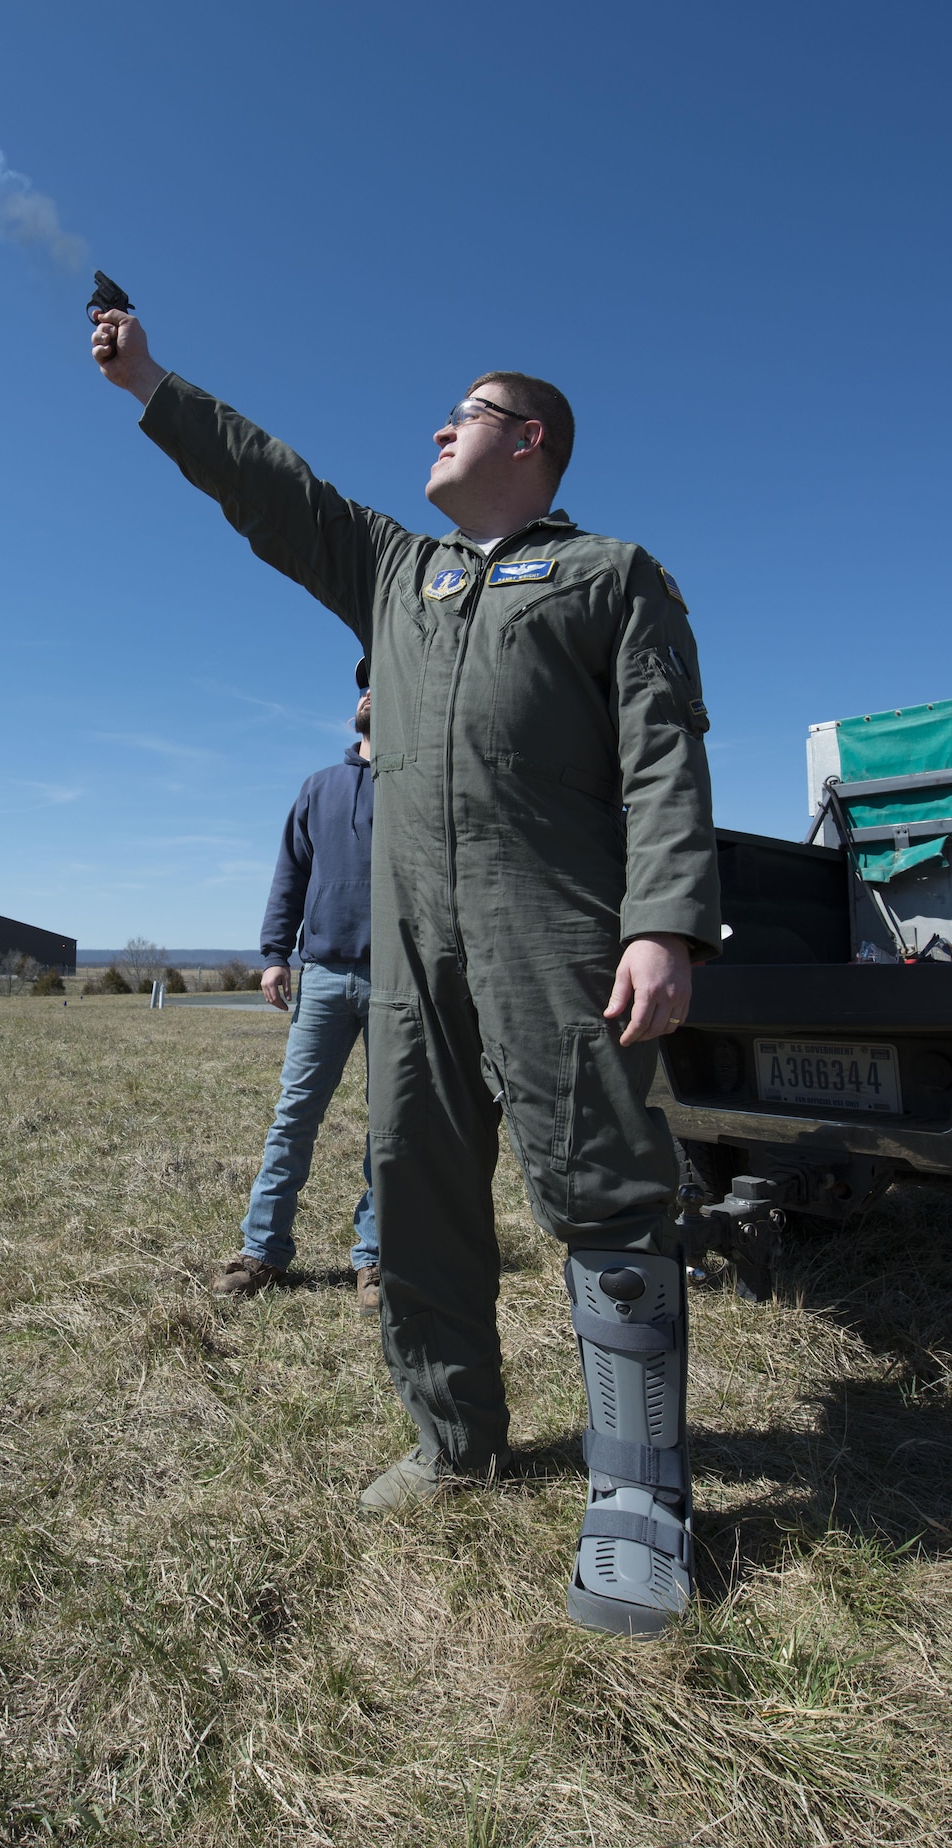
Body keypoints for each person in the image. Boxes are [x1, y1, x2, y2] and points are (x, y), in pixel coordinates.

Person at [90, 310, 719, 1639]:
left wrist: (662, 920)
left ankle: (640, 1491)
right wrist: (151, 384)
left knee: (603, 1189)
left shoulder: (609, 577)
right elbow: (276, 488)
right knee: (415, 1190)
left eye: (467, 410)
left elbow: (663, 754)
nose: (439, 427)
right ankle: (455, 1443)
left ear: (528, 439)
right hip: (405, 946)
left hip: (555, 933)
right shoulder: (397, 573)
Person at [212, 662, 378, 1312]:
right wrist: (275, 954)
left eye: (384, 686)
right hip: (325, 975)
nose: (368, 695)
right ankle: (262, 1253)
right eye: (365, 687)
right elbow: (289, 876)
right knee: (292, 1120)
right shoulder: (320, 787)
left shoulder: (423, 788)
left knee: (390, 1130)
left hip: (402, 983)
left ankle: (375, 1260)